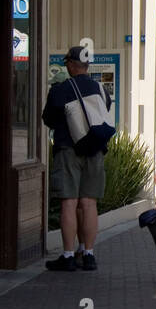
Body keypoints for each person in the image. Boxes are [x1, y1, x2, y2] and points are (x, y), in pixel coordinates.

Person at [42, 45, 110, 271]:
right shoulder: (100, 88)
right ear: (87, 65)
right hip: (95, 149)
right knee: (89, 203)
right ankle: (89, 253)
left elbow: (49, 119)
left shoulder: (61, 89)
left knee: (69, 203)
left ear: (71, 64)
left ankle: (69, 255)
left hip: (67, 149)